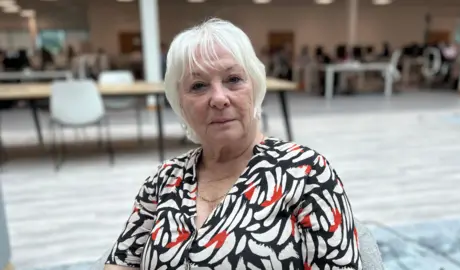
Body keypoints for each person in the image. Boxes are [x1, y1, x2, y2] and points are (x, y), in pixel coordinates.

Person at [104, 18, 361, 270]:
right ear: (180, 103)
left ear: (255, 87)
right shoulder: (162, 181)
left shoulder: (306, 172)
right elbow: (121, 261)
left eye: (233, 80)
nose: (218, 98)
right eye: (199, 85)